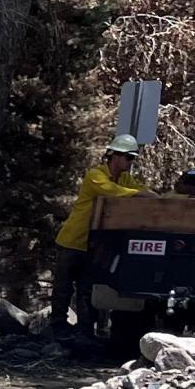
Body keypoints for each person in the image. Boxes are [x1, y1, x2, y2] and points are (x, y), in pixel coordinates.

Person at [51, 132, 144, 333]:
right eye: (129, 157)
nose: (131, 162)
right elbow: (111, 191)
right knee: (63, 289)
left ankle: (85, 330)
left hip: (93, 246)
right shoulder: (96, 175)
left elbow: (139, 190)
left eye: (133, 158)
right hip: (72, 241)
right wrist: (140, 194)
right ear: (116, 156)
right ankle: (57, 327)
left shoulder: (126, 179)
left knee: (87, 290)